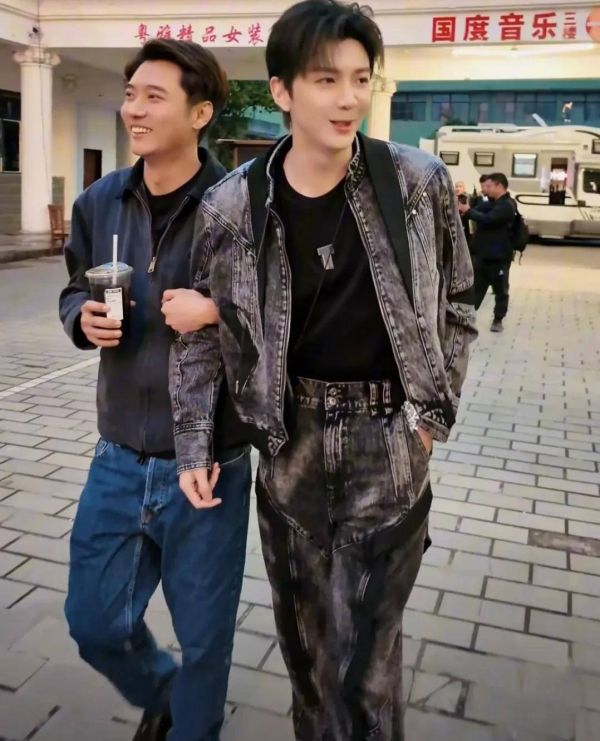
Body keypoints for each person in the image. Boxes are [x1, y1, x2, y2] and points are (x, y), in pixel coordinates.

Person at [170, 2, 477, 739]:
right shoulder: (231, 205)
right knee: (308, 658)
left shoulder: (416, 181)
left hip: (387, 440)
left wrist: (429, 420)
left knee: (365, 668)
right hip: (290, 442)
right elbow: (204, 336)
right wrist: (194, 443)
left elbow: (459, 299)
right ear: (281, 90)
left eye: (361, 78)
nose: (348, 98)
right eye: (326, 79)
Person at [59, 39, 252, 741]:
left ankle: (192, 724)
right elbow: (74, 287)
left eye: (153, 96)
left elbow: (280, 323)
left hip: (208, 469)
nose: (134, 109)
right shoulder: (99, 201)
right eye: (130, 94)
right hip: (117, 455)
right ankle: (165, 694)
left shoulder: (241, 207)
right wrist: (79, 317)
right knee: (94, 621)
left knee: (205, 641)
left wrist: (217, 312)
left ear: (200, 113)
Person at [458, 171, 515, 333]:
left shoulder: (507, 205)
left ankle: (498, 319)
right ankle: (466, 319)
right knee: (476, 289)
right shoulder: (491, 202)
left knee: (501, 290)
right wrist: (464, 208)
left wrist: (469, 211)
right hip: (482, 256)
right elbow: (476, 211)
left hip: (499, 257)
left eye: (489, 186)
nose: (486, 189)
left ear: (499, 186)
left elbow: (488, 219)